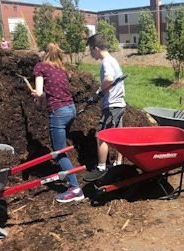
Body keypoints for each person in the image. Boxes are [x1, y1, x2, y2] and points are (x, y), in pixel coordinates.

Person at [31, 43, 84, 203]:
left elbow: (40, 92)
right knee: (62, 147)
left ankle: (75, 189)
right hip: (71, 109)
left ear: (43, 53)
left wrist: (35, 93)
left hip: (59, 112)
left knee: (59, 152)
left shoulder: (40, 67)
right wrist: (40, 101)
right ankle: (69, 173)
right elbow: (48, 95)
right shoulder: (60, 69)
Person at [84, 33, 126, 181]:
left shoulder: (106, 62)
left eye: (91, 50)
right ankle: (118, 164)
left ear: (96, 48)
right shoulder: (113, 60)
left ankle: (101, 167)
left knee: (101, 136)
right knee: (119, 136)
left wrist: (98, 93)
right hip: (119, 104)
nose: (90, 53)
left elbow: (108, 78)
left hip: (112, 105)